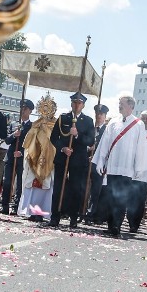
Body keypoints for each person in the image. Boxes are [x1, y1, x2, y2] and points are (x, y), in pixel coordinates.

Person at [93, 95, 147, 238]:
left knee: (122, 198)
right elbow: (105, 143)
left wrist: (139, 168)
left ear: (130, 106)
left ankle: (117, 225)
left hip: (127, 168)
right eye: (119, 103)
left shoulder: (138, 124)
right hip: (112, 166)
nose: (119, 106)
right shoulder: (113, 122)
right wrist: (100, 161)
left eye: (122, 103)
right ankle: (111, 225)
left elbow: (140, 147)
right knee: (111, 197)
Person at [47, 92, 95, 228]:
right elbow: (54, 137)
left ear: (83, 105)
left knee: (76, 189)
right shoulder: (63, 118)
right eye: (74, 102)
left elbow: (90, 140)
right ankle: (55, 216)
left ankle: (73, 217)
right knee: (58, 188)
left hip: (78, 160)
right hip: (63, 158)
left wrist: (78, 135)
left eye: (79, 103)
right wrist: (62, 148)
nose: (76, 105)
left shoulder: (87, 121)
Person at [17, 94, 57, 221]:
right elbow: (28, 141)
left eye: (48, 109)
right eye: (43, 109)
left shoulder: (55, 125)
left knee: (44, 187)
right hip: (34, 157)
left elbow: (55, 141)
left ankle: (40, 213)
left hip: (48, 158)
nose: (45, 112)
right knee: (32, 186)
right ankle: (29, 211)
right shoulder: (36, 124)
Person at [1, 98, 34, 215]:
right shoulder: (14, 124)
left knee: (20, 183)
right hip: (10, 157)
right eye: (21, 108)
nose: (22, 110)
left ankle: (16, 206)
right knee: (7, 182)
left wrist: (21, 151)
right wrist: (14, 135)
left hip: (22, 158)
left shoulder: (32, 126)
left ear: (30, 111)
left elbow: (32, 144)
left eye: (25, 109)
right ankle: (4, 205)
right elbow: (7, 140)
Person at [84, 103, 109, 225]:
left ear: (105, 116)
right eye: (97, 114)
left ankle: (92, 214)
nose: (99, 116)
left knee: (96, 190)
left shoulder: (107, 130)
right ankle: (82, 212)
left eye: (101, 114)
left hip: (98, 163)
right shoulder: (90, 128)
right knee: (84, 188)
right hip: (86, 162)